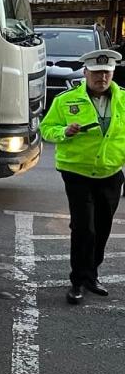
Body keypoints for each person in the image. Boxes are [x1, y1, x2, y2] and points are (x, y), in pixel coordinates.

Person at [40, 48, 125, 305]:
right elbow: (46, 128)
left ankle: (91, 275)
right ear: (85, 72)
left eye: (107, 73)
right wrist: (64, 131)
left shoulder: (123, 100)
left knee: (102, 228)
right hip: (77, 173)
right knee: (83, 228)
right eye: (97, 73)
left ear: (113, 73)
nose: (102, 78)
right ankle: (77, 281)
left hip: (110, 173)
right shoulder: (66, 100)